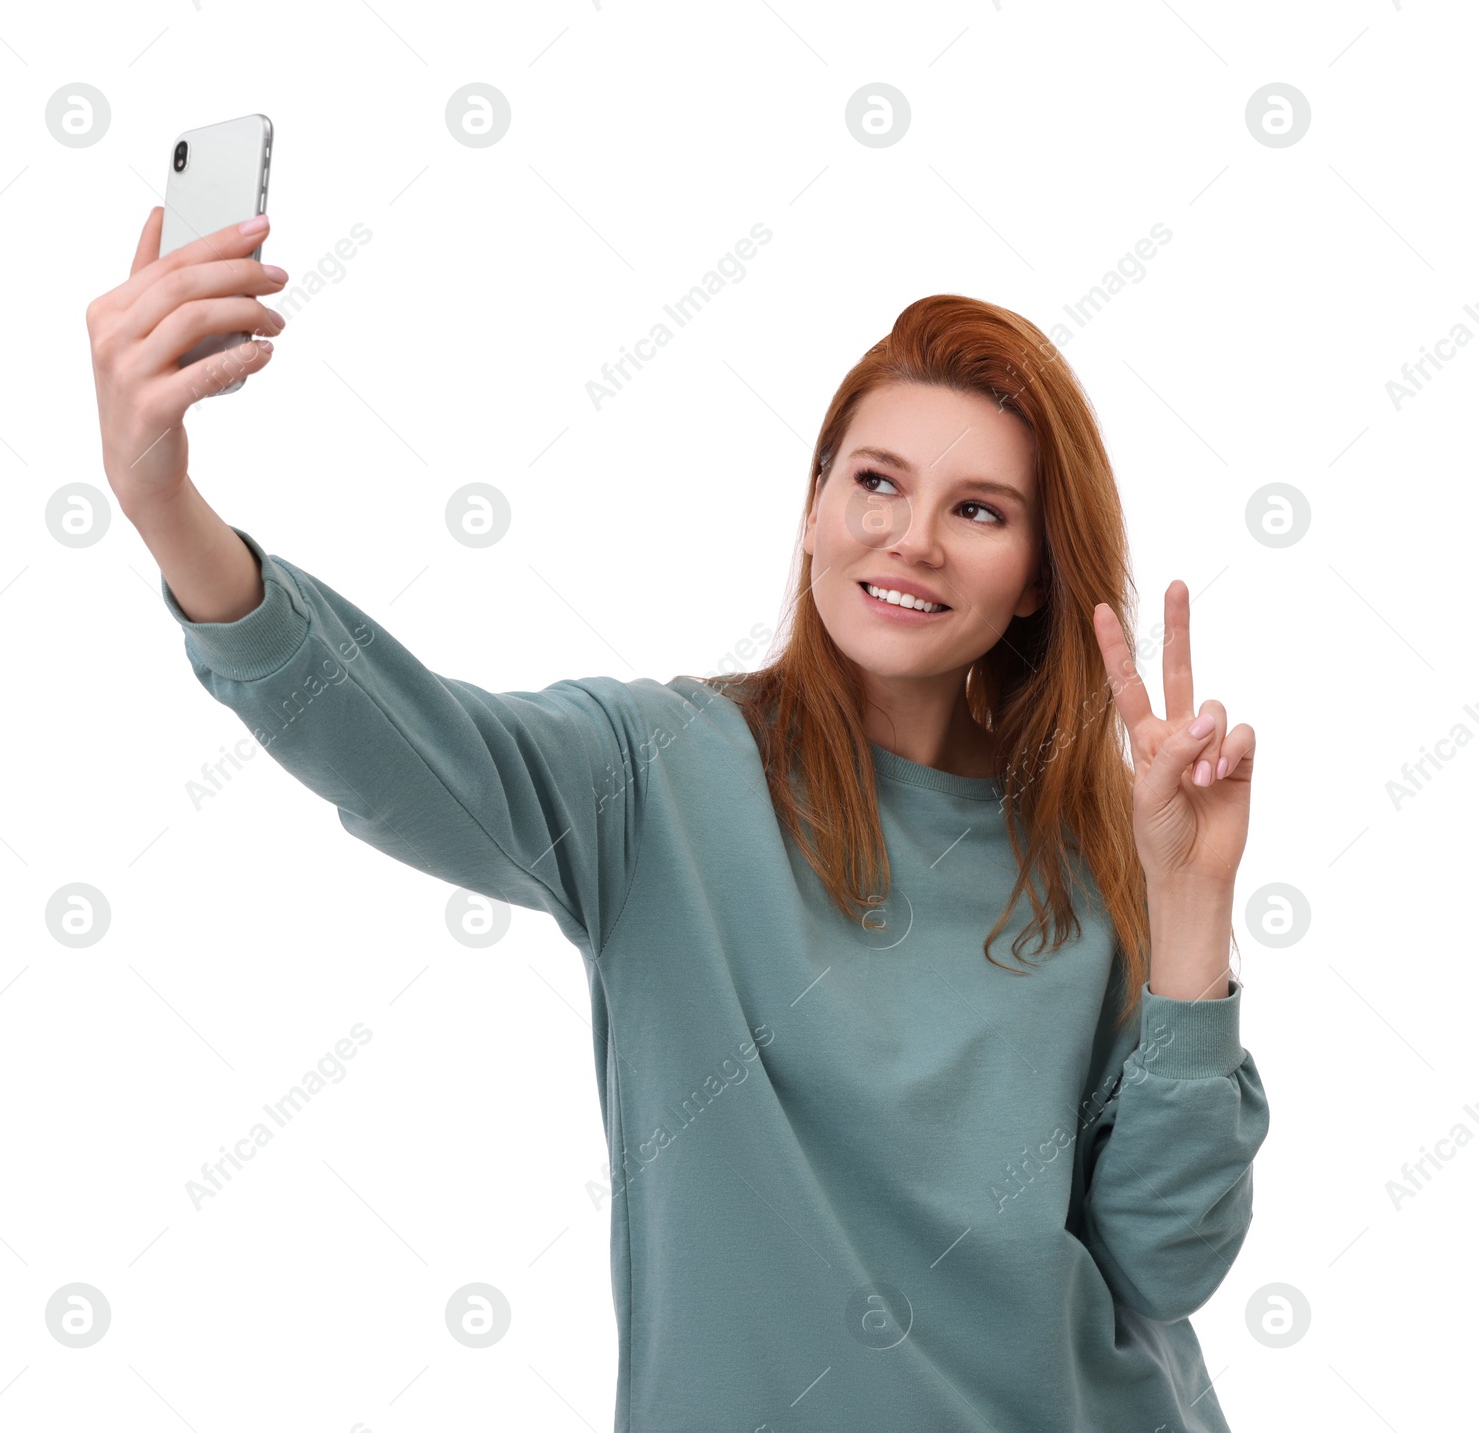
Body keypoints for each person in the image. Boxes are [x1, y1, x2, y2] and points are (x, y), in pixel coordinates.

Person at [87, 208, 1269, 1432]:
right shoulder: (660, 777)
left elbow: (1163, 1265)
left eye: (978, 510)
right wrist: (163, 500)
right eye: (875, 482)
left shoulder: (1096, 856)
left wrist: (1189, 905)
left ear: (1033, 575)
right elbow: (395, 743)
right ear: (813, 507)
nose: (909, 537)